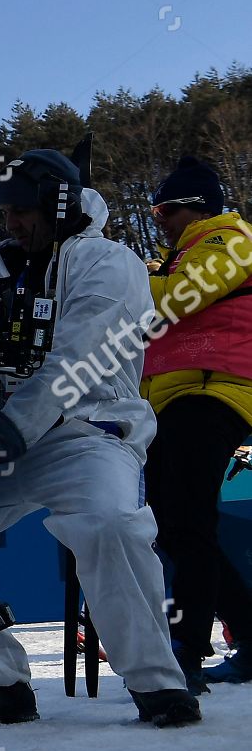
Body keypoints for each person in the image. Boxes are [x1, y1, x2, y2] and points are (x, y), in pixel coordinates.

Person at [0, 149, 198, 728]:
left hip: (91, 434)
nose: (11, 224)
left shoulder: (110, 262)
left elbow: (73, 367)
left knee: (108, 524)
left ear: (58, 202)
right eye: (6, 213)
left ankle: (158, 684)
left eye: (22, 211)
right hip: (8, 440)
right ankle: (0, 683)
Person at [138, 155, 252, 689]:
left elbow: (178, 302)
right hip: (182, 396)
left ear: (196, 208)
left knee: (186, 524)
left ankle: (184, 648)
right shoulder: (176, 257)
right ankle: (249, 639)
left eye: (165, 209)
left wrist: (122, 282)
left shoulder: (227, 238)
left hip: (219, 390)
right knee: (178, 527)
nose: (157, 217)